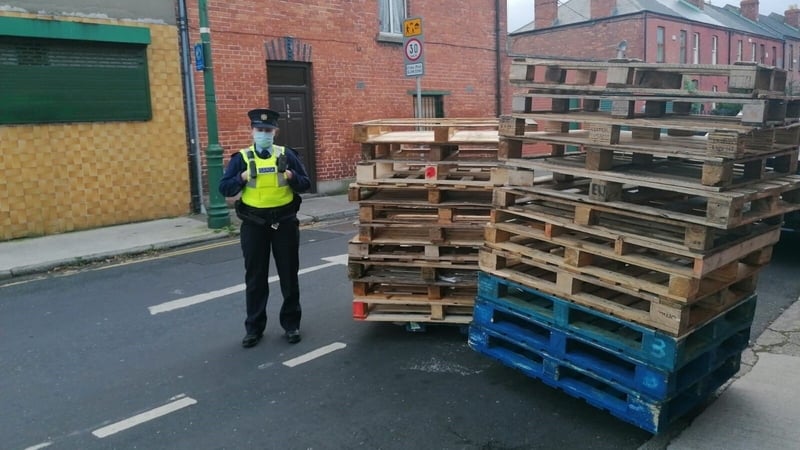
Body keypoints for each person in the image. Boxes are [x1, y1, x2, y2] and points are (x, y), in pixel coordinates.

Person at [219, 108, 311, 348]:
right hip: (254, 225)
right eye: (259, 130)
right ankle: (254, 328)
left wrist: (292, 176)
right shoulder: (241, 158)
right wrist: (241, 177)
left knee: (289, 276)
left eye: (268, 130)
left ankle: (291, 325)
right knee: (255, 278)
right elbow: (224, 189)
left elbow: (305, 184)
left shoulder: (287, 155)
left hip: (285, 223)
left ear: (275, 132)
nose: (264, 134)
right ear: (252, 131)